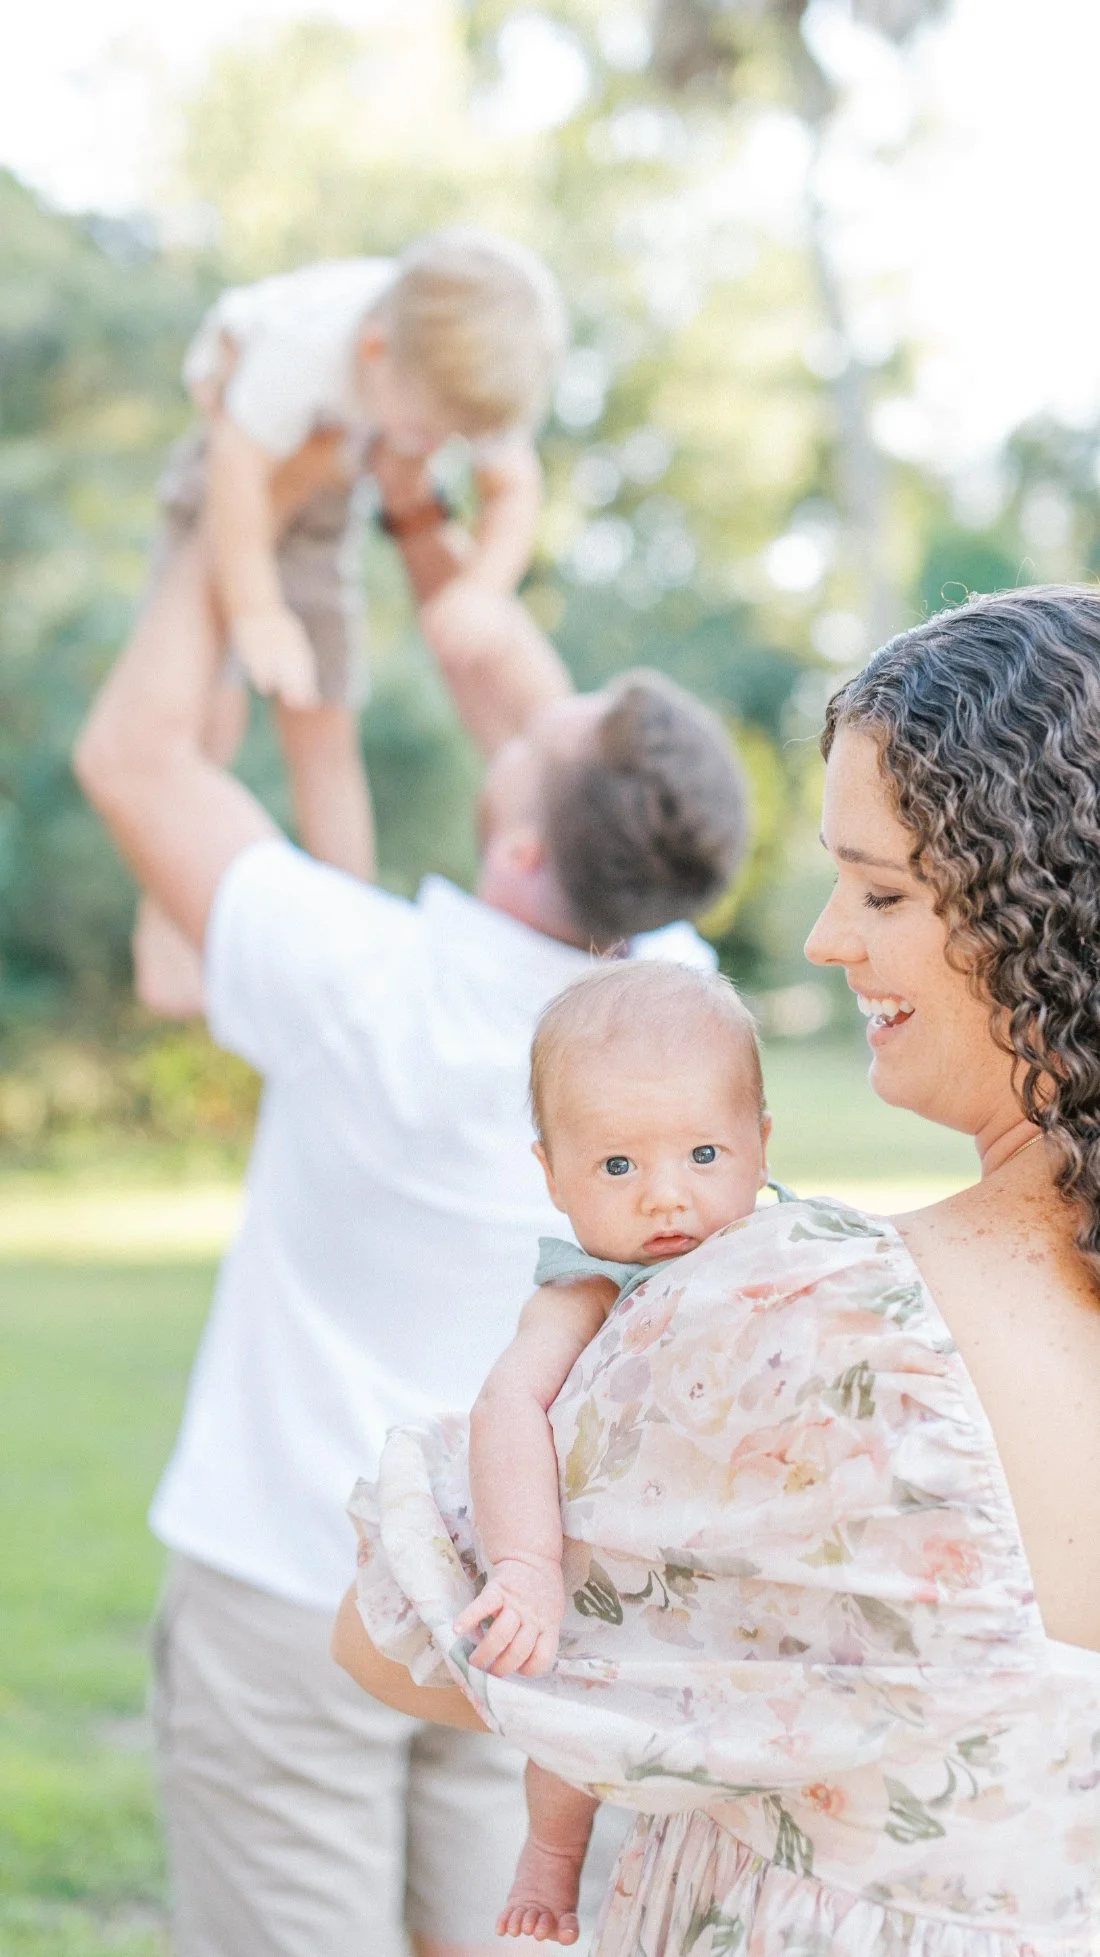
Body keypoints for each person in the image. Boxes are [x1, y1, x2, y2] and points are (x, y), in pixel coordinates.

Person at [335, 583, 1100, 1956]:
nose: (824, 936)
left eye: (877, 887)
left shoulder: (819, 1326)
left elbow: (389, 1633)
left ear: (1039, 907)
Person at [73, 531, 750, 1957]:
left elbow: (134, 762)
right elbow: (551, 736)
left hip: (289, 1585)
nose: (526, 711)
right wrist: (424, 517)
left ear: (517, 841)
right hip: (529, 1602)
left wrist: (226, 513)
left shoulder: (367, 984)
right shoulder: (677, 1008)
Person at [353, 959, 774, 1946]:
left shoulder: (788, 1247)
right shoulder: (587, 1286)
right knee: (570, 1706)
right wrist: (527, 1568)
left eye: (704, 1152)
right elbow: (506, 1404)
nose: (666, 1197)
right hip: (609, 1559)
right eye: (616, 1167)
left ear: (761, 1142)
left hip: (734, 1554)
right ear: (550, 1175)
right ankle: (549, 1859)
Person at [134, 226, 567, 1016]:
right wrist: (256, 611)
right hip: (227, 480)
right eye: (430, 429)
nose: (438, 447)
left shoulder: (463, 366)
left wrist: (485, 587)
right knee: (207, 715)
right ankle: (165, 926)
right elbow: (236, 466)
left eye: (453, 437)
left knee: (326, 716)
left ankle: (355, 925)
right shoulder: (308, 344)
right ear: (373, 352)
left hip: (328, 495)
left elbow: (513, 491)